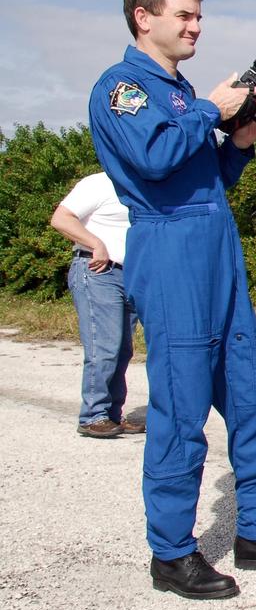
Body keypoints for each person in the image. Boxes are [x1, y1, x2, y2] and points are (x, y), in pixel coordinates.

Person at [88, 0, 256, 600]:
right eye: (184, 16)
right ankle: (171, 554)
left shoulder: (180, 91)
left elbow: (204, 176)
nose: (195, 26)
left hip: (217, 253)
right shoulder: (121, 88)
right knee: (182, 410)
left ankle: (255, 533)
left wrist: (239, 140)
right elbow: (155, 160)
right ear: (144, 18)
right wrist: (210, 110)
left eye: (199, 16)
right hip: (169, 254)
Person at [51, 171, 141, 438]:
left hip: (131, 274)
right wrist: (96, 243)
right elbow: (60, 218)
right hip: (98, 270)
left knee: (123, 349)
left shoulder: (141, 183)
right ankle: (93, 415)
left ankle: (112, 415)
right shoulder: (99, 182)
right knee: (105, 345)